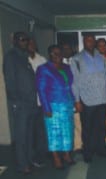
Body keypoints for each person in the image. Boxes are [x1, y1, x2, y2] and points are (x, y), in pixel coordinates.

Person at [71, 34, 106, 163]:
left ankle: (101, 149)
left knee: (101, 127)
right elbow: (75, 81)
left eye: (91, 40)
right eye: (87, 40)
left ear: (94, 42)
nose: (89, 42)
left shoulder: (101, 57)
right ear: (84, 42)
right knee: (87, 128)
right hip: (87, 99)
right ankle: (88, 152)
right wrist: (77, 100)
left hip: (102, 98)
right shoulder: (77, 59)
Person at [3, 32, 38, 174]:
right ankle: (22, 164)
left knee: (29, 135)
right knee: (21, 135)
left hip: (30, 102)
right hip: (21, 104)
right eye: (22, 40)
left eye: (26, 39)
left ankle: (29, 160)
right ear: (15, 41)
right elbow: (10, 81)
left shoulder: (24, 56)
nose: (25, 42)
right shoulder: (11, 56)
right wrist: (16, 102)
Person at [36, 45, 75, 169]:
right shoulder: (44, 69)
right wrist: (46, 108)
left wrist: (73, 101)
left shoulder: (67, 67)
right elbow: (41, 90)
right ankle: (56, 158)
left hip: (67, 104)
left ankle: (66, 155)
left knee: (67, 131)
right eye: (54, 53)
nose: (57, 56)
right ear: (50, 54)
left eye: (59, 53)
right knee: (54, 133)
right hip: (53, 106)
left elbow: (70, 85)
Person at [27, 38, 47, 167]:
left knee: (40, 131)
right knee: (29, 132)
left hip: (41, 101)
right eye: (29, 43)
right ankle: (30, 156)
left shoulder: (42, 60)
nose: (31, 45)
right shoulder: (22, 60)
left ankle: (40, 156)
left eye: (33, 43)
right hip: (28, 102)